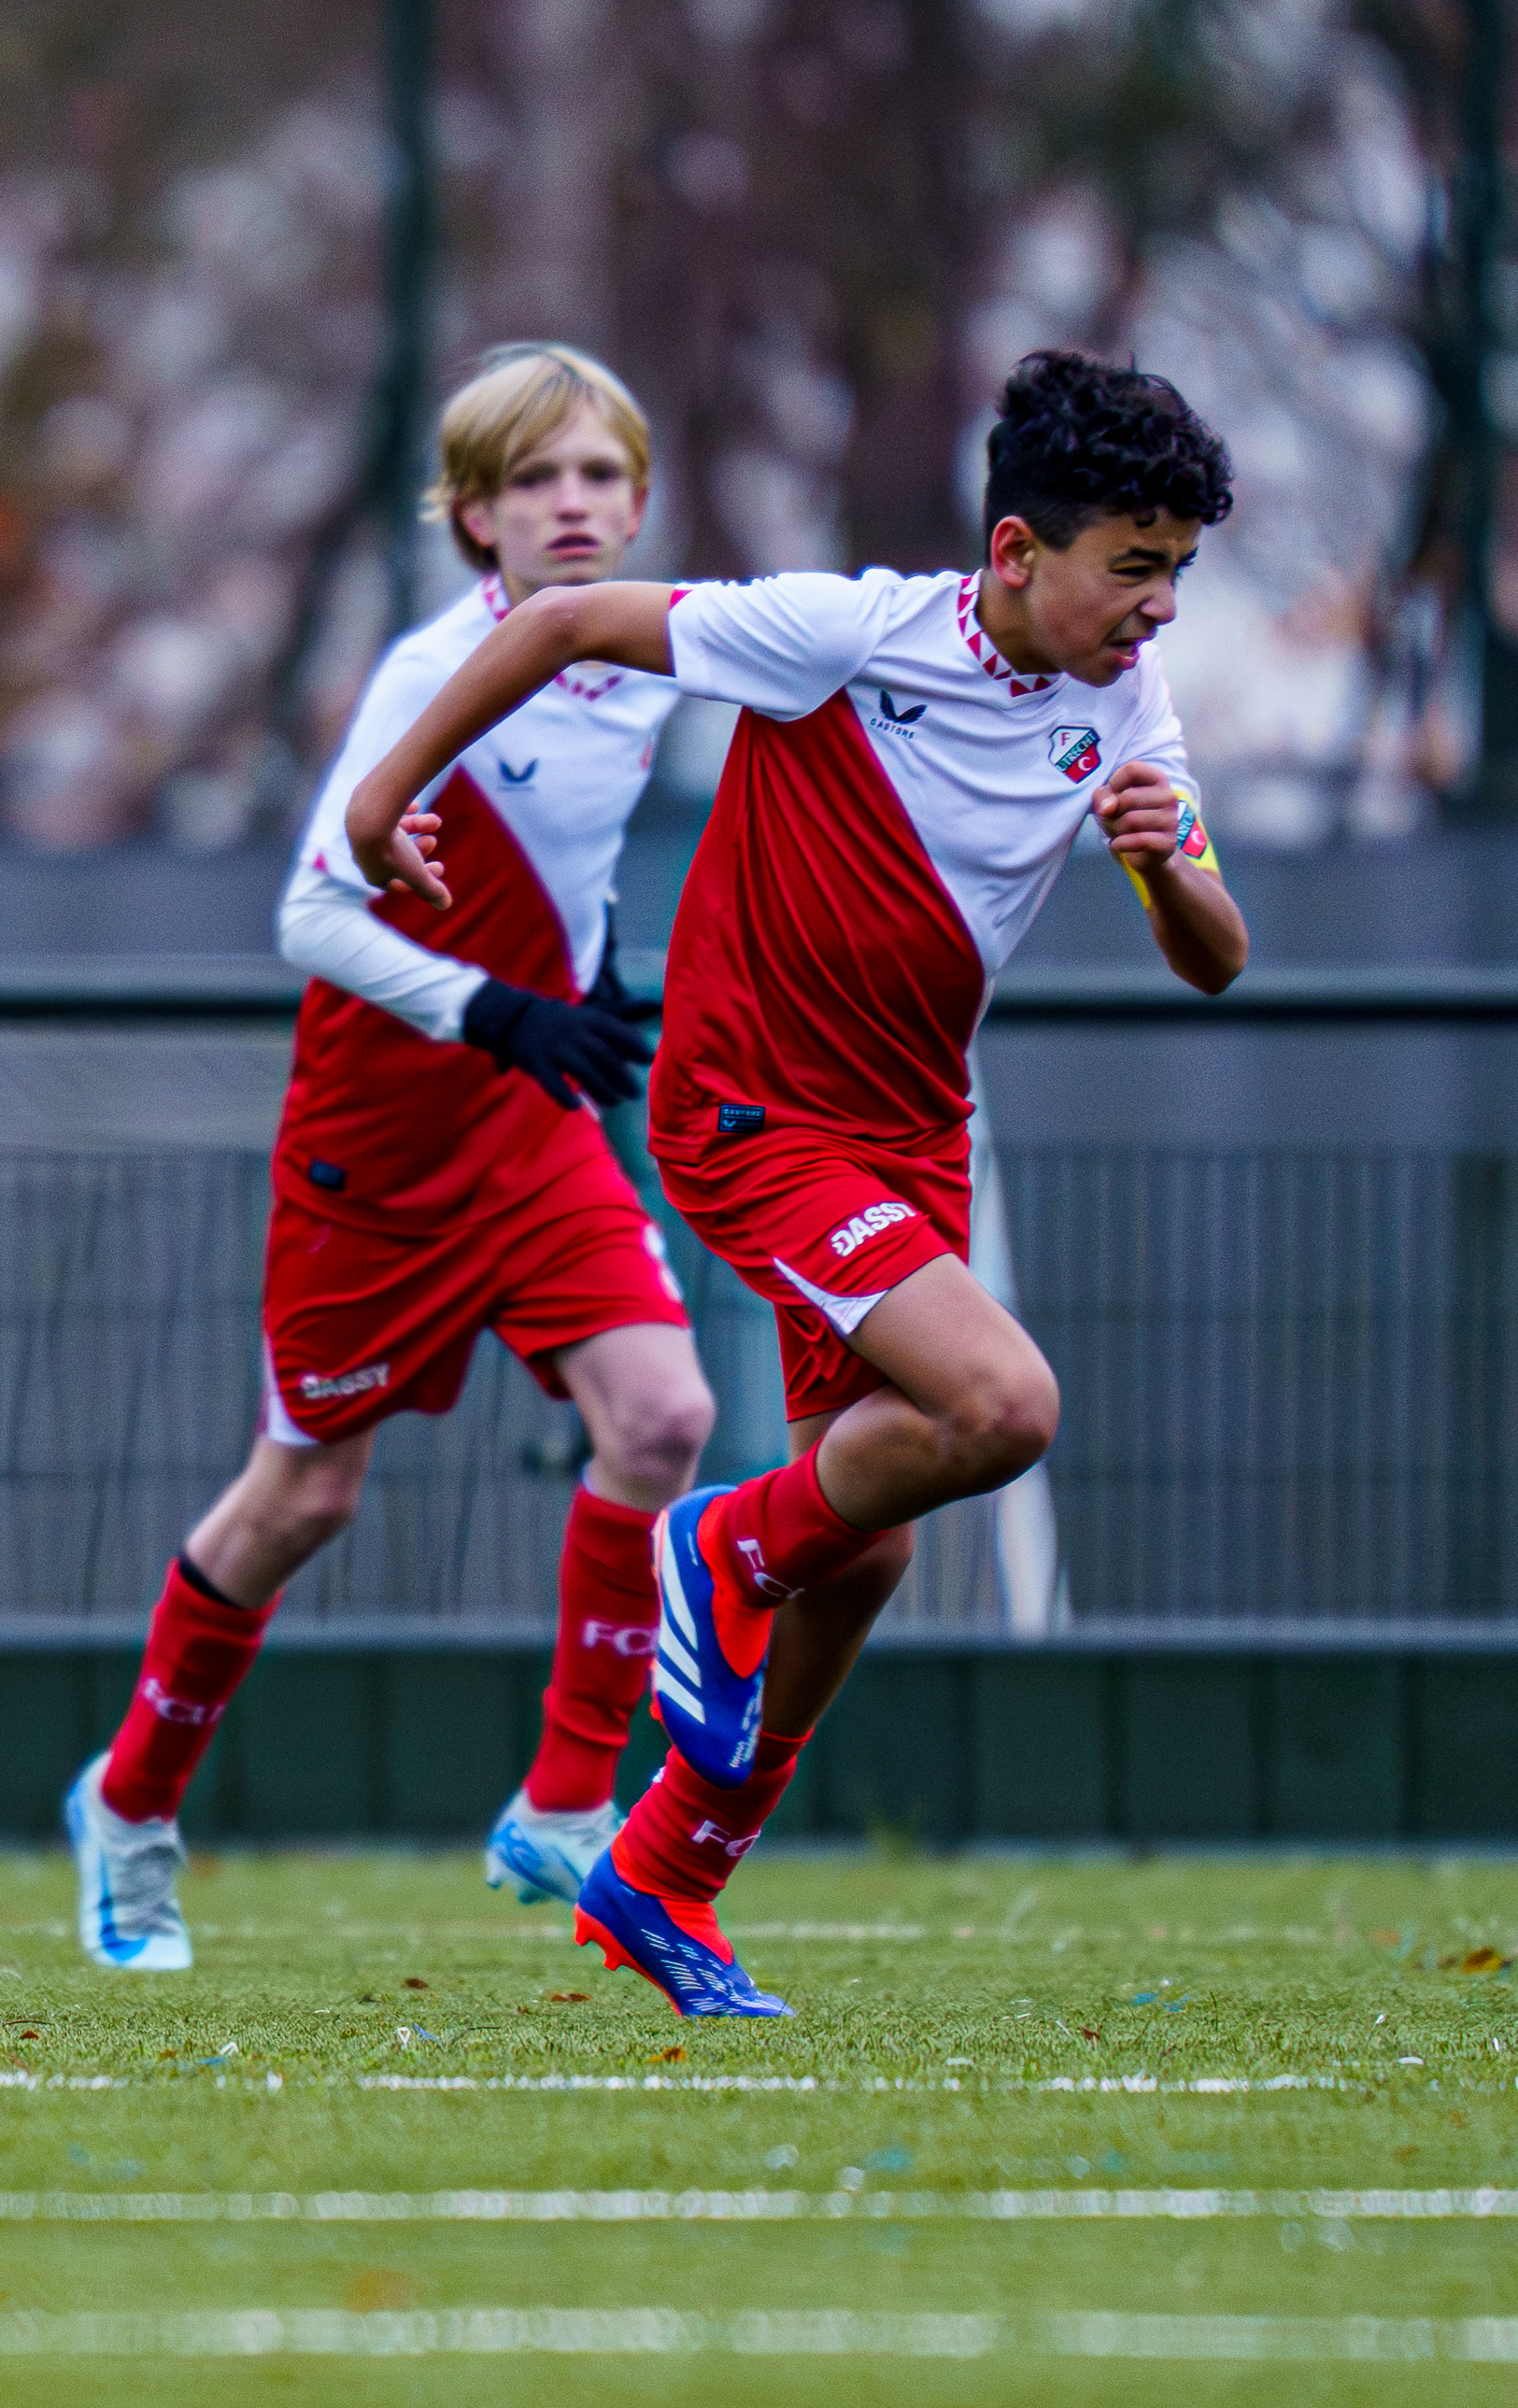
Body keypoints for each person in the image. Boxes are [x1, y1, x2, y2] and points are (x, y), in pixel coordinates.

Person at [339, 351, 1244, 2014]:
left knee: (874, 1547)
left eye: (1180, 568)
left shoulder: (1130, 707)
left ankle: (664, 1875)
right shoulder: (847, 632)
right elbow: (552, 624)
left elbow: (1214, 956)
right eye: (1136, 565)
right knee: (1005, 1407)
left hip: (910, 1137)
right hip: (753, 1107)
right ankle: (722, 1545)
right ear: (1021, 550)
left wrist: (1157, 858)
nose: (1160, 605)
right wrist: (383, 801)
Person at [65, 345, 716, 1971]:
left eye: (599, 477)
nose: (572, 506)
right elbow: (307, 910)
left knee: (664, 1416)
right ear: (475, 517)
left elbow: (574, 850)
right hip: (377, 1147)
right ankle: (129, 1807)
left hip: (533, 1126)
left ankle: (567, 1804)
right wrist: (497, 1006)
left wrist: (597, 965)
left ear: (637, 500)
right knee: (307, 1494)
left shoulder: (653, 655)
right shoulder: (435, 673)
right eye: (533, 481)